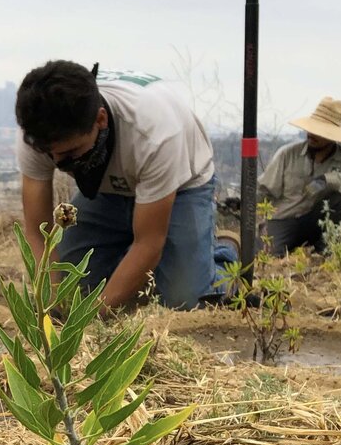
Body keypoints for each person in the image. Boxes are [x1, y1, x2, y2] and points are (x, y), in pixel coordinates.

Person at [15, 61, 234, 311]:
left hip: (181, 186)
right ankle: (136, 259)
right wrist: (52, 303)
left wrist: (89, 318)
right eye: (49, 154)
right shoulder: (37, 131)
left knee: (183, 299)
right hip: (107, 190)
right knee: (72, 285)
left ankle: (224, 256)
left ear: (100, 119)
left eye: (71, 153)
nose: (59, 163)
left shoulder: (154, 133)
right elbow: (38, 231)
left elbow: (149, 243)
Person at [258, 97, 341, 257]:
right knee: (264, 257)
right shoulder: (287, 154)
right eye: (311, 129)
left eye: (319, 132)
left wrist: (332, 180)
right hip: (284, 220)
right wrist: (241, 202)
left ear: (332, 137)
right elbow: (264, 190)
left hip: (318, 221)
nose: (311, 134)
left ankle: (325, 250)